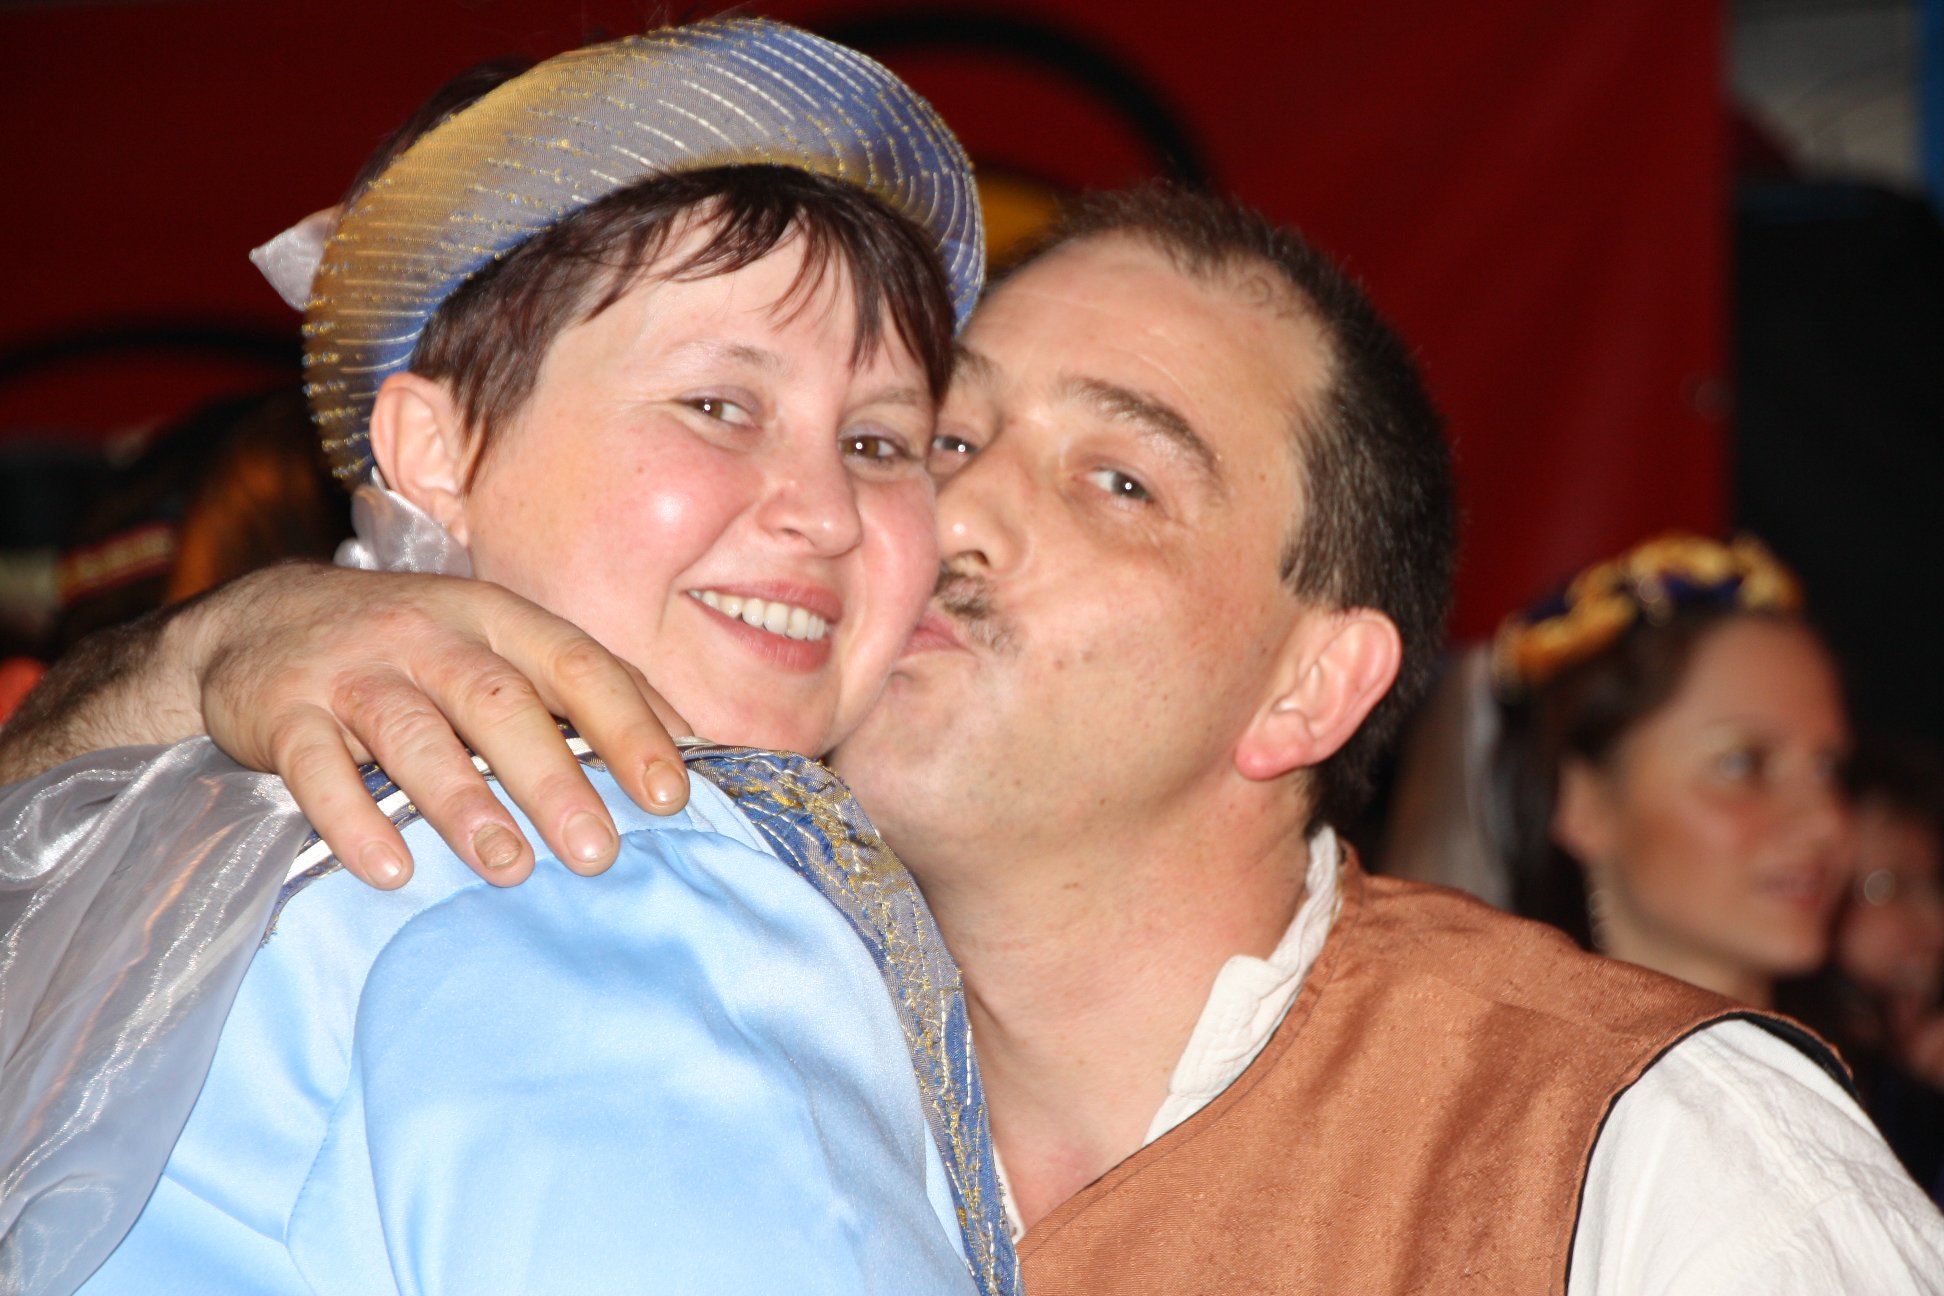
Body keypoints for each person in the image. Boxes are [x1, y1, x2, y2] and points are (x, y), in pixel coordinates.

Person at [8, 188, 1944, 1291]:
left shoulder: (1630, 1145)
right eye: (932, 436)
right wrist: (201, 657)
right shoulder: (634, 939)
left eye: (1118, 479)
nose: (941, 517)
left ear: (1309, 688)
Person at [0, 20, 1018, 1296]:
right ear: (434, 452)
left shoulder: (194, 832)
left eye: (878, 444)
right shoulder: (610, 870)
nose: (826, 511)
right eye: (719, 406)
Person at [1492, 533, 1851, 1010]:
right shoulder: (1496, 1053)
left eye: (1829, 768)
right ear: (1582, 802)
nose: (1827, 821)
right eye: (1744, 764)